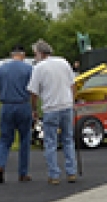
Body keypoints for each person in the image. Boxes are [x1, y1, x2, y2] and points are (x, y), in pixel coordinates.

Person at [27, 39, 77, 185]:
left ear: (40, 53)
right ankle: (71, 172)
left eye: (35, 54)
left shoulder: (39, 68)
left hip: (51, 108)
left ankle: (54, 174)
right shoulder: (63, 62)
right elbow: (73, 84)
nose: (35, 57)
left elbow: (33, 92)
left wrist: (34, 109)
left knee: (50, 142)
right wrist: (72, 101)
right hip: (66, 105)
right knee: (68, 139)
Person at [0, 44, 33, 184]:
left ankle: (0, 165)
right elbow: (33, 90)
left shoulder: (2, 69)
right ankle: (23, 173)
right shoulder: (29, 69)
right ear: (23, 55)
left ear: (11, 54)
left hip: (7, 106)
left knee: (4, 139)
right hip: (23, 105)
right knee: (24, 139)